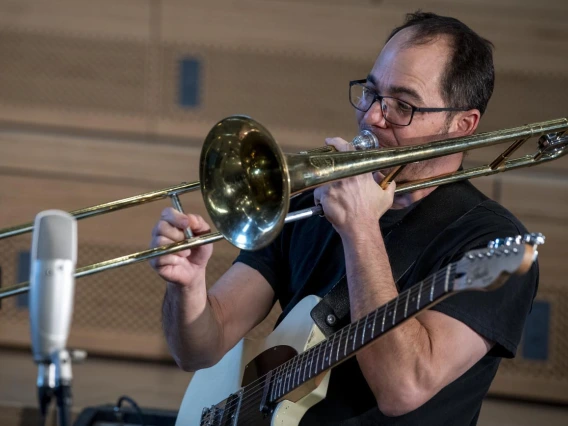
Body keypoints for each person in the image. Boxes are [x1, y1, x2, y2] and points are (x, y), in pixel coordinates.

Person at [150, 11, 538, 425]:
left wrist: (360, 229)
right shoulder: (313, 203)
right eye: (371, 93)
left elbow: (402, 387)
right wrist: (187, 289)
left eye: (402, 106)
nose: (372, 116)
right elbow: (199, 349)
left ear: (462, 125)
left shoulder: (493, 242)